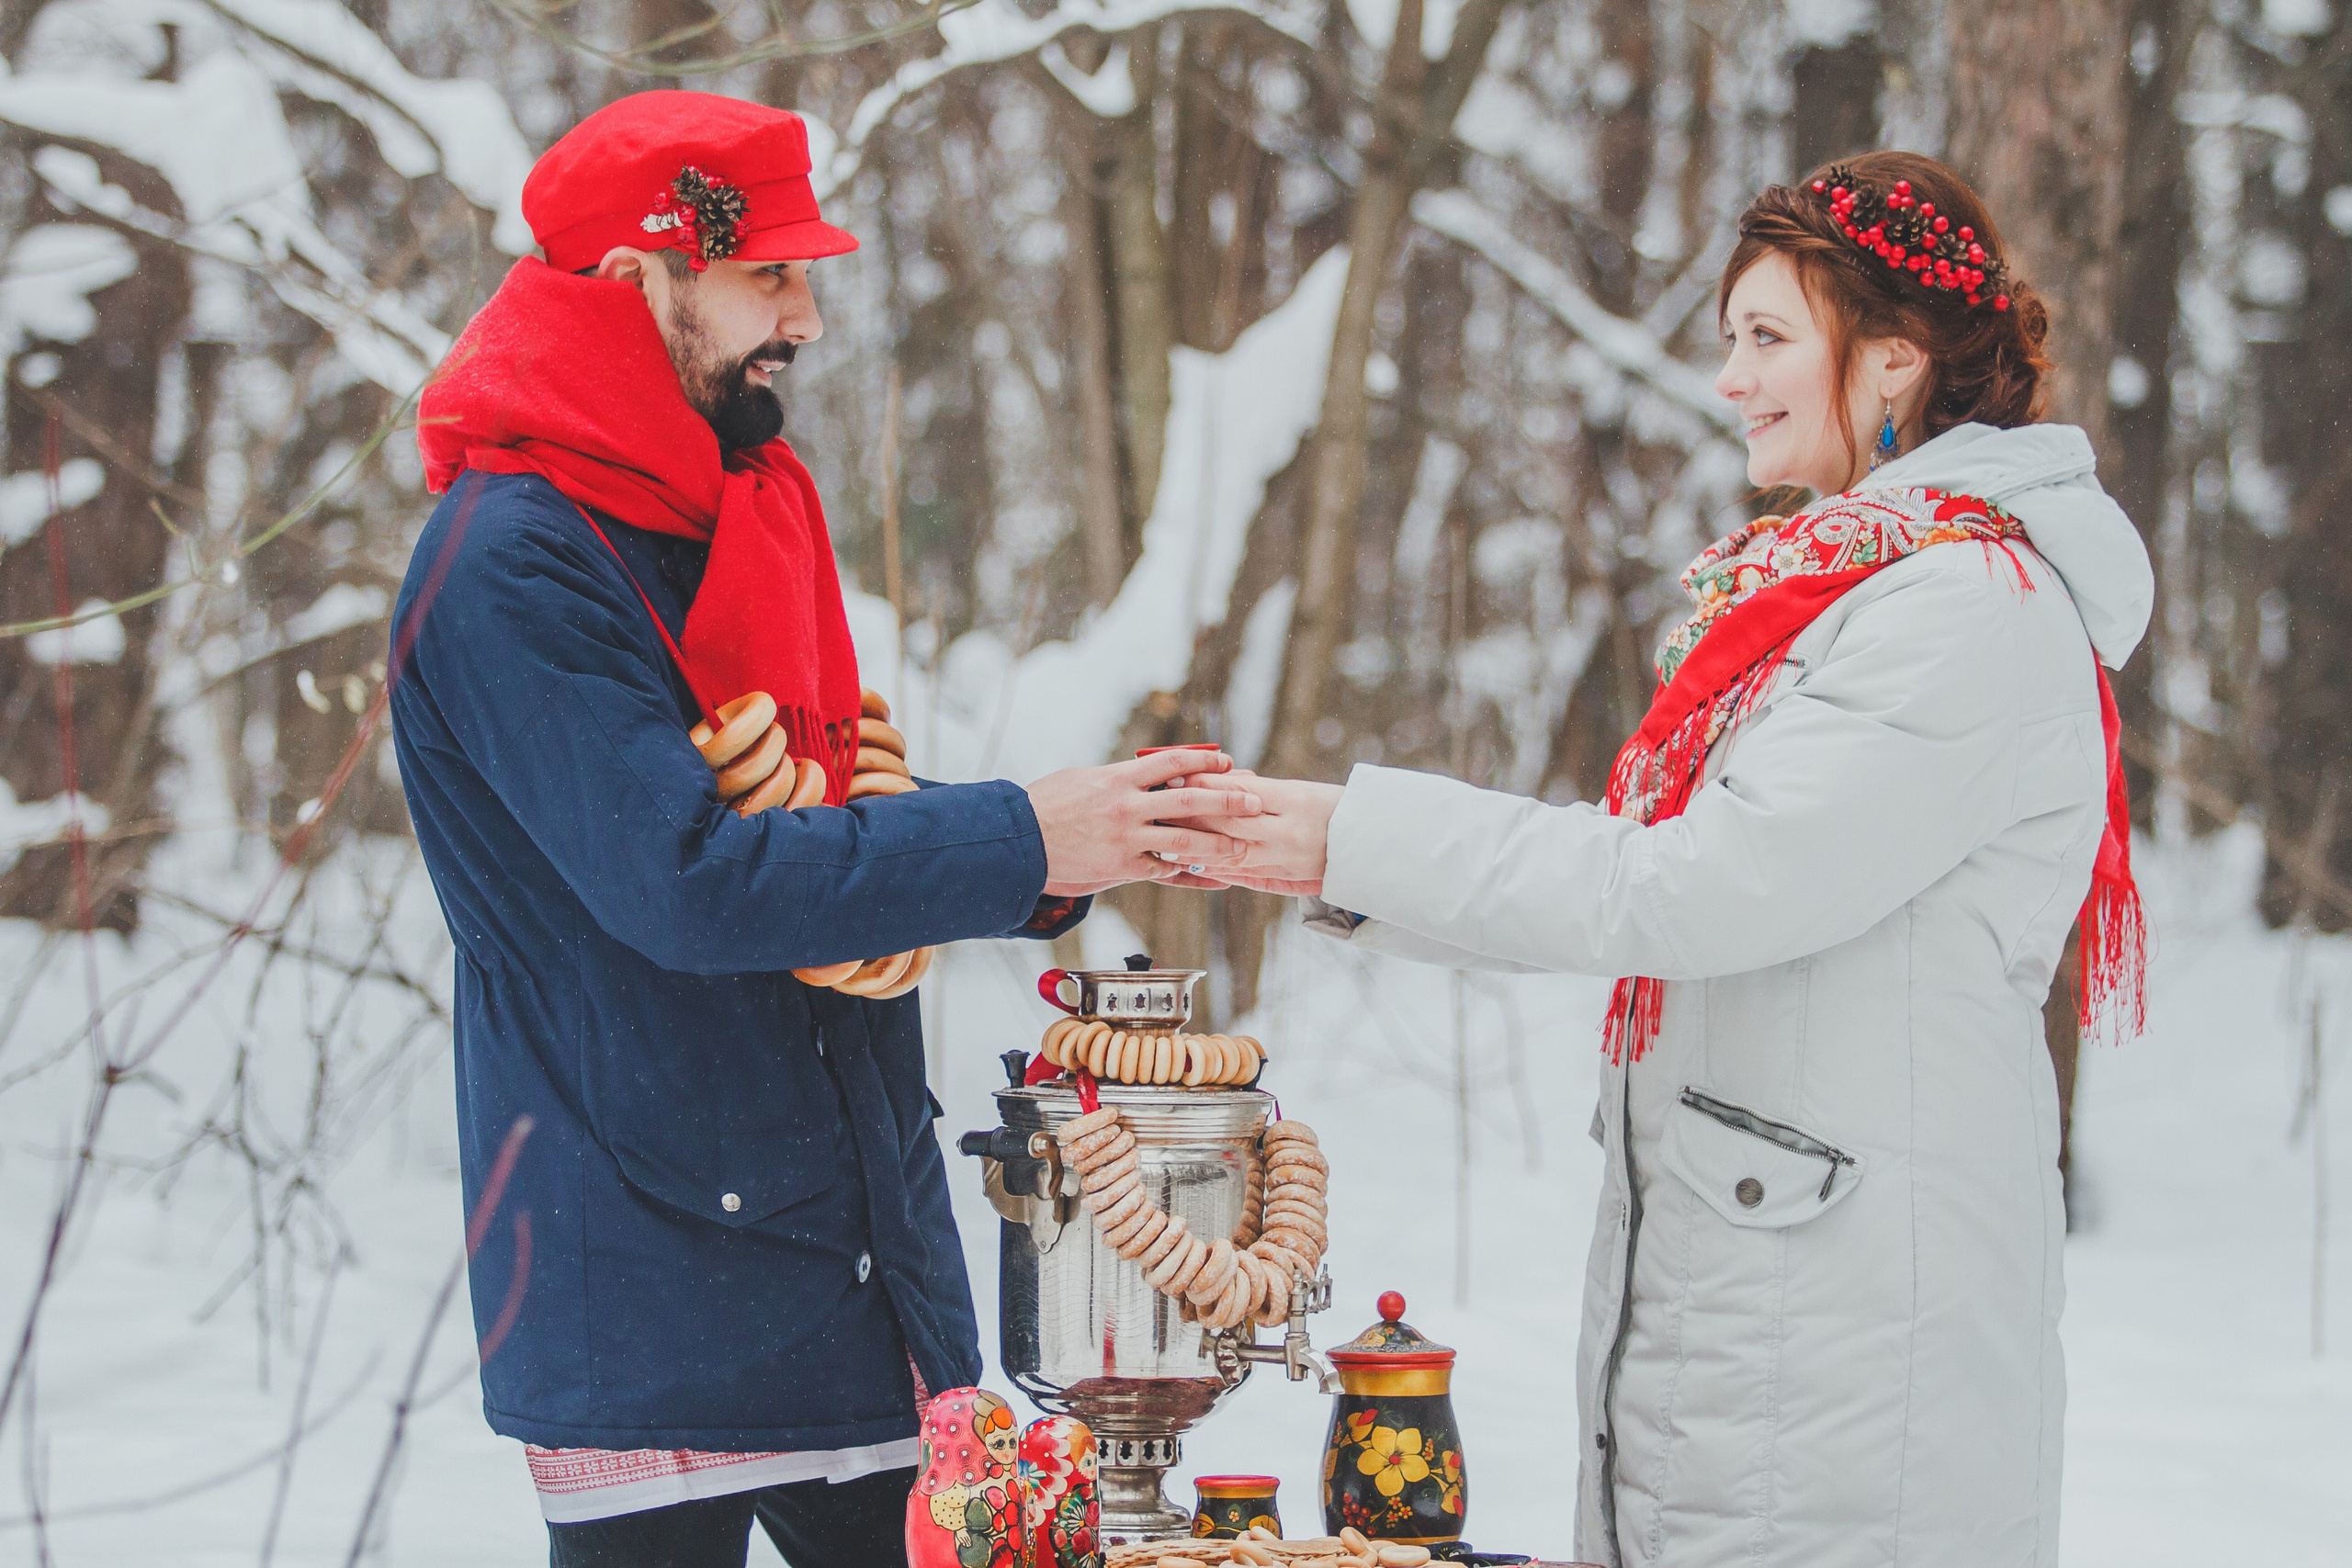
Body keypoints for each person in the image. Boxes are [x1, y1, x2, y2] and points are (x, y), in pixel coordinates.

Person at [1180, 151, 2153, 1567]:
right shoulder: (1853, 590)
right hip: (1766, 1320)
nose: (1731, 378)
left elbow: (1696, 888)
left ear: (1892, 359)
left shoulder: (1963, 608)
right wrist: (1333, 864)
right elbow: (1647, 875)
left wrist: (1353, 834)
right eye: (1730, 339)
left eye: (1767, 337)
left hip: (1847, 1372)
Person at [389, 91, 1256, 1567]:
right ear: (633, 279)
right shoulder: (510, 564)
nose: (803, 316)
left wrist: (1057, 858)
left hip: (858, 1269)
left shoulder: (735, 511)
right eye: (766, 276)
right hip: (652, 1287)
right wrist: (1023, 842)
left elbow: (818, 826)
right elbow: (693, 881)